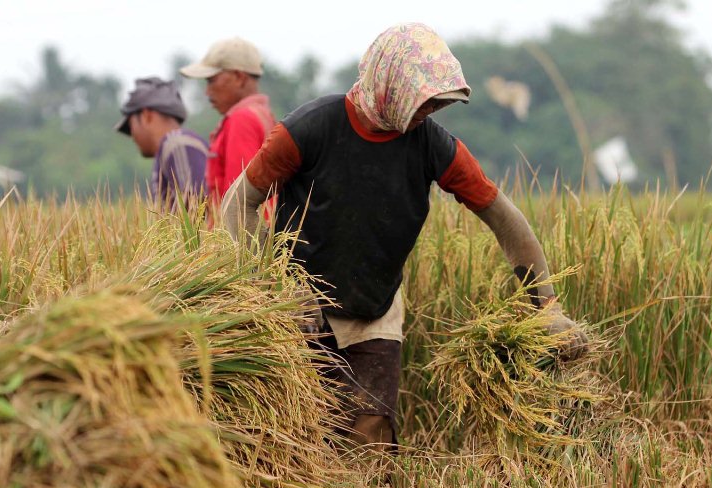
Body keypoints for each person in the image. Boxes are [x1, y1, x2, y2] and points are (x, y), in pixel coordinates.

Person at [220, 23, 590, 448]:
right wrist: (279, 288)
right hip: (298, 307)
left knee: (370, 436)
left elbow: (503, 218)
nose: (428, 113)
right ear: (388, 85)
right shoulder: (308, 130)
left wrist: (547, 307)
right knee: (296, 435)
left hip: (374, 306)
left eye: (435, 104)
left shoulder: (434, 146)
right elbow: (238, 203)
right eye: (423, 102)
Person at [180, 37, 276, 214]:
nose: (207, 92)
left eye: (211, 81)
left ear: (239, 77)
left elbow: (239, 204)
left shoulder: (242, 120)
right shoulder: (263, 115)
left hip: (237, 239)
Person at [115, 77, 208, 211]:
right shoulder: (170, 148)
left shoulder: (177, 143)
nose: (132, 136)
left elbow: (196, 211)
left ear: (147, 115)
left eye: (130, 126)